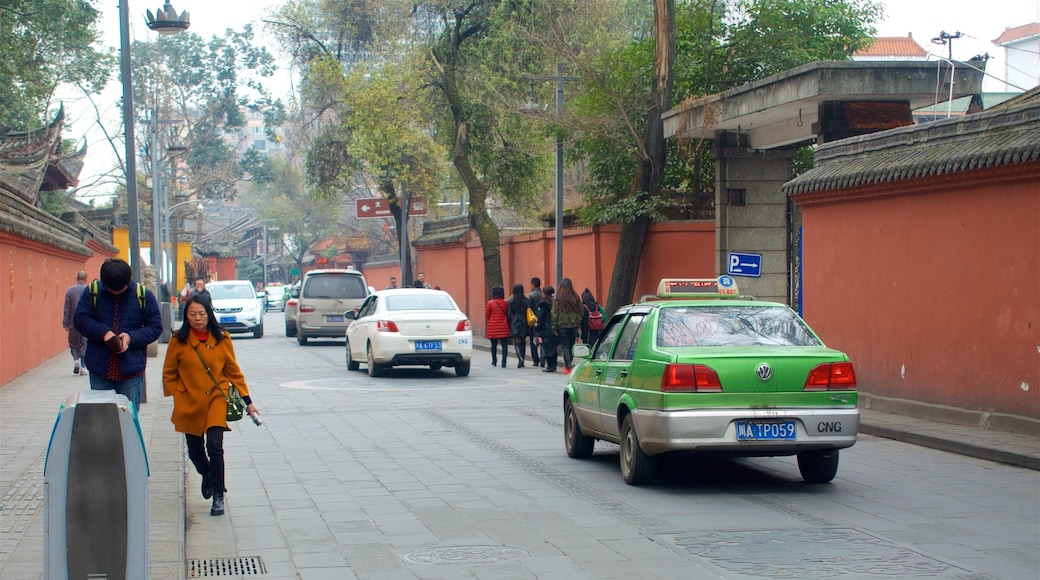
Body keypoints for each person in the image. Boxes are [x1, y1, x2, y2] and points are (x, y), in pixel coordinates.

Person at [162, 293, 259, 517]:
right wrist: (178, 393)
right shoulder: (179, 340)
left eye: (202, 313)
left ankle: (218, 495)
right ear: (186, 315)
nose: (197, 318)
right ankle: (206, 474)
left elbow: (233, 371)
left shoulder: (223, 338)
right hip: (189, 401)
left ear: (209, 314)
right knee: (195, 453)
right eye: (192, 314)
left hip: (217, 396)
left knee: (215, 446)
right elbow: (169, 372)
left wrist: (248, 402)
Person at [73, 258, 163, 410]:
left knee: (127, 419)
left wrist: (130, 337)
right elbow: (80, 319)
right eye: (111, 289)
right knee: (101, 418)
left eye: (120, 289)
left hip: (131, 370)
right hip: (99, 368)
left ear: (129, 280)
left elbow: (155, 327)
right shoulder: (93, 292)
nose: (115, 293)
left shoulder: (143, 295)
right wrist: (104, 333)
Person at [552, 278, 583, 374]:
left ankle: (568, 366)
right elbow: (580, 312)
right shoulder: (576, 298)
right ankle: (569, 365)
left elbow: (554, 314)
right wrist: (578, 323)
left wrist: (554, 327)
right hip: (574, 325)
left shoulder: (557, 299)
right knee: (571, 346)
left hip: (562, 326)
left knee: (565, 346)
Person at [63, 270, 89, 375]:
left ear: (76, 278)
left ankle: (76, 361)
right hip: (86, 323)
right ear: (86, 279)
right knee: (84, 343)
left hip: (73, 322)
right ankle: (83, 367)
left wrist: (65, 323)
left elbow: (67, 309)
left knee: (73, 343)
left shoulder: (70, 291)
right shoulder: (88, 290)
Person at [484, 285, 510, 368]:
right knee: (504, 345)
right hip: (504, 326)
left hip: (493, 326)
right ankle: (504, 362)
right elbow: (508, 314)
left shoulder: (490, 303)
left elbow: (487, 315)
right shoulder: (506, 303)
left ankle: (494, 361)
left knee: (493, 345)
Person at [535, 286, 558, 372]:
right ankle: (554, 365)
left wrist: (538, 329)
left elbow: (540, 318)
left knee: (547, 347)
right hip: (554, 328)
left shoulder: (542, 305)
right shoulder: (555, 303)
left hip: (546, 328)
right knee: (554, 347)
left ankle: (550, 366)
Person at [506, 283, 530, 368]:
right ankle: (522, 357)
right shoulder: (526, 300)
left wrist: (511, 322)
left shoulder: (511, 301)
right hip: (524, 321)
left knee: (516, 341)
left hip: (515, 321)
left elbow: (509, 314)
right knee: (523, 341)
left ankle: (520, 358)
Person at [527, 277, 543, 367]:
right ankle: (543, 358)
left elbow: (528, 309)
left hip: (533, 320)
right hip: (542, 320)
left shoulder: (530, 296)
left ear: (532, 284)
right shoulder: (543, 294)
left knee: (533, 341)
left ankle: (536, 360)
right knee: (542, 340)